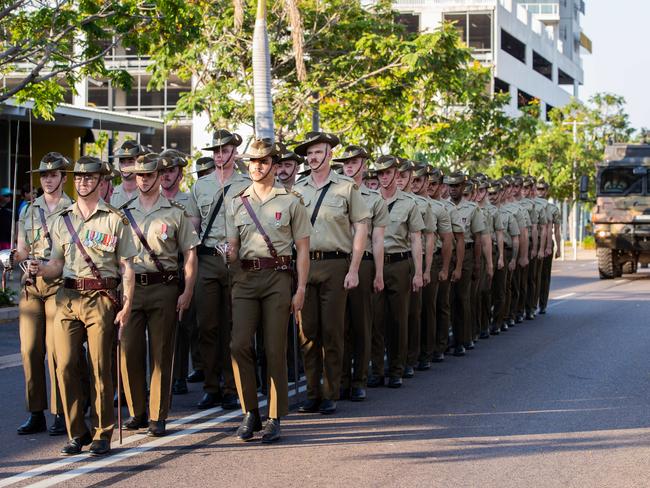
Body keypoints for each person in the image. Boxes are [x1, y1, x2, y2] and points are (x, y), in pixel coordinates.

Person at [29, 156, 137, 457]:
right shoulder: (62, 218)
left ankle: (102, 431)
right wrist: (40, 269)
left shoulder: (115, 219)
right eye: (78, 178)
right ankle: (77, 432)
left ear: (102, 181)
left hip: (101, 299)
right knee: (64, 366)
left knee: (100, 367)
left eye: (89, 178)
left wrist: (127, 304)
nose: (82, 182)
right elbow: (56, 264)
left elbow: (127, 267)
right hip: (66, 298)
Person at [226, 139, 310, 443]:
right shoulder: (236, 201)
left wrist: (300, 288)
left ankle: (274, 416)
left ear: (274, 165)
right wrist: (227, 253)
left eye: (263, 162)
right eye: (253, 162)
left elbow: (302, 249)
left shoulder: (291, 201)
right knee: (238, 345)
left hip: (278, 277)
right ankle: (251, 411)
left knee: (274, 348)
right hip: (246, 278)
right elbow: (232, 247)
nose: (257, 167)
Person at [293, 131, 369, 415]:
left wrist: (354, 268)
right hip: (305, 265)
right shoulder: (298, 189)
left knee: (333, 331)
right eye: (309, 153)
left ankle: (330, 392)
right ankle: (312, 392)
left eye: (318, 152)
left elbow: (361, 226)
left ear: (330, 154)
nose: (313, 157)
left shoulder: (346, 188)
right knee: (308, 332)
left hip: (336, 264)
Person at [13, 153, 73, 436]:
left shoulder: (71, 209)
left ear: (64, 177)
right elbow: (23, 248)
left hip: (59, 287)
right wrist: (16, 256)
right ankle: (35, 412)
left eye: (53, 174)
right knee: (29, 351)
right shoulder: (29, 209)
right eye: (44, 175)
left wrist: (48, 266)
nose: (48, 179)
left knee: (57, 352)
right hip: (31, 287)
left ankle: (60, 411)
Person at [190, 129, 249, 410]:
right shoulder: (200, 187)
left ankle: (231, 385)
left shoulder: (246, 184)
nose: (219, 156)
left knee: (233, 325)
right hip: (208, 259)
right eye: (215, 151)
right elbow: (193, 226)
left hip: (236, 260)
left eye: (225, 151)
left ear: (234, 153)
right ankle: (211, 386)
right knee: (207, 325)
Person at [334, 145, 388, 401]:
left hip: (364, 263)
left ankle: (359, 379)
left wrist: (378, 273)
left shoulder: (374, 199)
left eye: (355, 161)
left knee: (361, 323)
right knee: (338, 324)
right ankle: (340, 380)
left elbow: (377, 240)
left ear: (364, 165)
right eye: (346, 161)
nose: (349, 165)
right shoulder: (332, 192)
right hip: (337, 261)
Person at [368, 155, 423, 388]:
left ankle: (397, 369)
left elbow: (416, 239)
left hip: (400, 264)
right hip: (374, 264)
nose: (384, 177)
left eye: (388, 173)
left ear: (396, 174)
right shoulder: (368, 200)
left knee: (398, 319)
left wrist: (419, 272)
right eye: (380, 174)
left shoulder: (409, 203)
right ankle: (377, 369)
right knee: (375, 319)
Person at [411, 165, 453, 370]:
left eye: (421, 181)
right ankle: (412, 352)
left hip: (431, 260)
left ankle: (431, 350)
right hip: (408, 261)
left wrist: (445, 267)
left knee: (430, 307)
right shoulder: (406, 203)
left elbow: (447, 241)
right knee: (411, 311)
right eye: (414, 180)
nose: (416, 185)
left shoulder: (437, 208)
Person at [396, 160, 435, 378]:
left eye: (404, 177)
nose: (400, 181)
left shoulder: (420, 205)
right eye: (397, 176)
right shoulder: (383, 200)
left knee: (413, 313)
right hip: (388, 261)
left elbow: (428, 239)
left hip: (411, 261)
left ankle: (412, 357)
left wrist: (425, 270)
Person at [445, 171, 489, 356]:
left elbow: (478, 238)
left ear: (463, 187)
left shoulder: (472, 209)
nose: (453, 189)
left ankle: (464, 339)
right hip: (448, 254)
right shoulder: (443, 206)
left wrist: (478, 264)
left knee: (463, 298)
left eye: (456, 186)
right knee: (449, 299)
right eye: (450, 186)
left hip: (468, 254)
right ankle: (451, 337)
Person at [536, 179, 561, 314]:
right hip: (533, 242)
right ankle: (530, 303)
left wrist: (557, 248)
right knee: (533, 276)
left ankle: (543, 304)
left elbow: (556, 230)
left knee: (544, 276)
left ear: (546, 191)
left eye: (542, 189)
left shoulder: (552, 209)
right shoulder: (531, 206)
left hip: (546, 243)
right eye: (538, 189)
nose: (540, 192)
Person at [110, 140, 148, 208]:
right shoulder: (111, 194)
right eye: (122, 161)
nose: (126, 166)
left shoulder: (150, 192)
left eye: (130, 161)